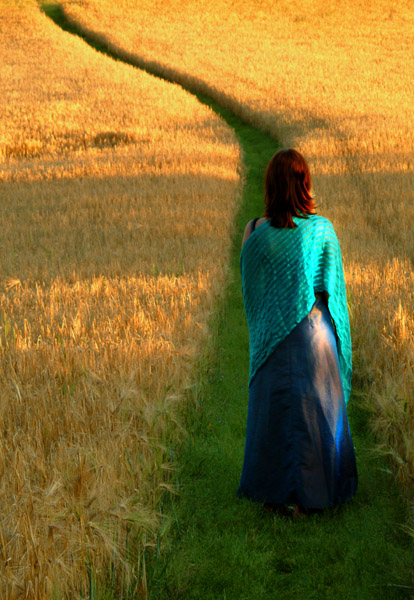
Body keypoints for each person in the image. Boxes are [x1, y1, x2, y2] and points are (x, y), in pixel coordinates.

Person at [237, 148, 358, 516]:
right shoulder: (322, 229)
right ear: (305, 183)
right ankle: (317, 496)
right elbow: (332, 291)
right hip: (314, 335)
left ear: (271, 184)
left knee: (275, 412)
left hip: (272, 338)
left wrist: (266, 323)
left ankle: (274, 494)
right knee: (315, 413)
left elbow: (252, 290)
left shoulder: (254, 230)